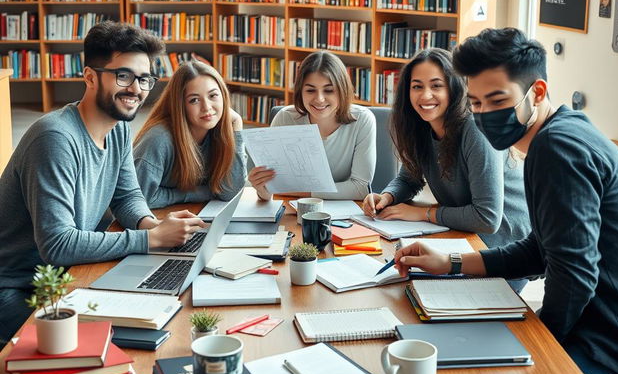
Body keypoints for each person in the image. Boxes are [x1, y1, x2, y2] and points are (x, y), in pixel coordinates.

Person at [393, 28, 618, 374]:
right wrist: (453, 263)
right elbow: (540, 249)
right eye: (475, 102)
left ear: (536, 93)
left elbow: (574, 277)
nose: (484, 115)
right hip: (603, 334)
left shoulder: (558, 150)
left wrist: (539, 345)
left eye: (497, 100)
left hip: (616, 353)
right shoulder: (563, 131)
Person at [0, 21, 206, 348]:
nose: (136, 89)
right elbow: (57, 245)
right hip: (20, 288)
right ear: (90, 76)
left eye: (144, 79)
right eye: (123, 76)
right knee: (114, 345)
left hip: (67, 275)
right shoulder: (55, 138)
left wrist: (153, 224)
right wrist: (148, 239)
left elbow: (127, 196)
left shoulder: (119, 126)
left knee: (162, 320)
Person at [362, 48, 530, 255]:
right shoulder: (421, 125)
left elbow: (487, 218)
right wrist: (387, 196)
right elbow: (409, 179)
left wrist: (422, 213)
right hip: (462, 234)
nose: (425, 95)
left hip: (506, 246)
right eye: (417, 86)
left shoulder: (476, 129)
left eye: (436, 86)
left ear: (454, 88)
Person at [249, 51, 376, 200]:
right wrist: (262, 189)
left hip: (347, 213)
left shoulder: (362, 120)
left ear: (342, 90)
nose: (320, 99)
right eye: (310, 90)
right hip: (293, 209)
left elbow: (360, 189)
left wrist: (301, 192)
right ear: (300, 91)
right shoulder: (285, 118)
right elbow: (272, 189)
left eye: (329, 90)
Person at [133, 61, 246, 208]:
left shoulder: (219, 131)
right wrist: (203, 193)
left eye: (213, 96)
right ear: (180, 105)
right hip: (151, 222)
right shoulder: (158, 140)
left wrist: (237, 124)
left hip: (186, 215)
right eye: (194, 100)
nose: (207, 108)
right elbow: (140, 200)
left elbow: (230, 192)